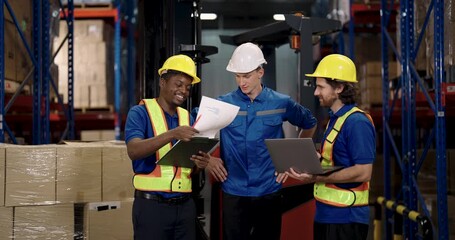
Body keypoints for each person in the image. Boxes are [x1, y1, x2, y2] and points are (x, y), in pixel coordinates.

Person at [207, 42, 318, 240]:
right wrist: (208, 160)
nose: (242, 82)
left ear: (260, 72)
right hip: (234, 190)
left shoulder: (281, 102)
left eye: (247, 75)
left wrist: (291, 160)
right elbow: (194, 132)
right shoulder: (223, 104)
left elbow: (309, 123)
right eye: (238, 76)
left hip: (269, 190)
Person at [286, 54, 376, 240]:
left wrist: (316, 177)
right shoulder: (335, 120)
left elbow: (363, 172)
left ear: (339, 88)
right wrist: (314, 162)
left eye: (321, 87)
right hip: (326, 215)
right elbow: (336, 159)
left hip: (346, 219)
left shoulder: (357, 123)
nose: (316, 92)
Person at [124, 54, 211, 240]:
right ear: (163, 82)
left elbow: (189, 168)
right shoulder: (140, 112)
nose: (184, 91)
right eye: (178, 84)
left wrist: (199, 164)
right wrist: (172, 134)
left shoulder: (188, 118)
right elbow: (133, 150)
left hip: (185, 206)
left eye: (188, 87)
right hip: (152, 208)